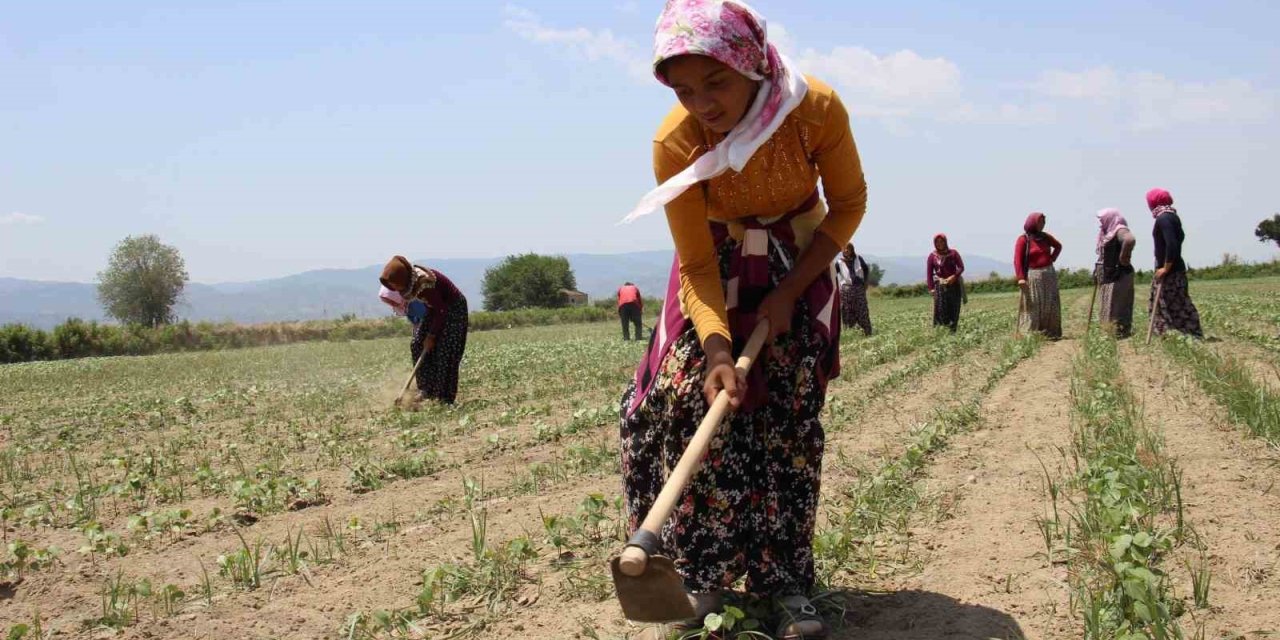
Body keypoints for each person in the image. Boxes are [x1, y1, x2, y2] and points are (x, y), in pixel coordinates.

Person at [617, 1, 867, 637]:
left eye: (716, 81)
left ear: (750, 62)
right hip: (716, 262)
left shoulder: (815, 111)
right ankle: (702, 575)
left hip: (800, 252)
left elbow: (848, 207)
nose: (702, 103)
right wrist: (718, 349)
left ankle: (785, 583)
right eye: (683, 89)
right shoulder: (675, 141)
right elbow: (697, 266)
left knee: (785, 405)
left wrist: (789, 290)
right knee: (678, 400)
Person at [378, 256, 469, 403]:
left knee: (445, 351)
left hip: (453, 309)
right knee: (417, 343)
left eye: (395, 285)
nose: (394, 289)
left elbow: (442, 309)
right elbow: (432, 308)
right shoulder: (411, 282)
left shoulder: (424, 284)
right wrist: (427, 336)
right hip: (435, 310)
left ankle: (443, 397)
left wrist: (432, 335)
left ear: (402, 278)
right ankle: (426, 390)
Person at [1146, 188, 1203, 338]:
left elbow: (1172, 244)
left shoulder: (1164, 218)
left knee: (1169, 303)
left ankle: (1171, 334)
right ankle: (1184, 333)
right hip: (1176, 268)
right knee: (1178, 301)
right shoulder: (1172, 216)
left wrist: (1166, 267)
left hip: (1170, 271)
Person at [1014, 212, 1063, 339]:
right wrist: (1020, 278)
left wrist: (1052, 259)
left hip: (1049, 275)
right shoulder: (1023, 240)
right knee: (1033, 304)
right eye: (1039, 222)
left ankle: (1051, 333)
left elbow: (1058, 246)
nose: (1042, 225)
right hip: (1033, 276)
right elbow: (1017, 260)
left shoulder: (1045, 237)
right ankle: (1031, 333)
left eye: (1043, 222)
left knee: (1050, 304)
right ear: (1032, 223)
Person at [1095, 208, 1137, 338]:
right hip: (1110, 275)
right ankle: (1112, 332)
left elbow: (1129, 240)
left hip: (1119, 275)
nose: (1101, 223)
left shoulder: (1120, 230)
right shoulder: (1107, 232)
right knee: (1109, 304)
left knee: (1117, 305)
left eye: (1102, 220)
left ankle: (1118, 332)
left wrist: (1123, 258)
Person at [927, 234, 964, 332]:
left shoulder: (953, 253)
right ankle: (941, 331)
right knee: (940, 310)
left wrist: (954, 276)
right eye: (937, 242)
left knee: (954, 308)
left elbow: (961, 267)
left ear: (945, 242)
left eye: (942, 241)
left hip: (954, 285)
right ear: (935, 243)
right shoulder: (932, 256)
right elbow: (929, 274)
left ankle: (952, 331)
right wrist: (931, 288)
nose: (940, 244)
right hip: (940, 287)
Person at [835, 243, 873, 335]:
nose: (846, 251)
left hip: (859, 288)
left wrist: (866, 283)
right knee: (848, 311)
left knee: (862, 309)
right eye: (844, 249)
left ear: (852, 250)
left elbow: (866, 269)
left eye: (848, 249)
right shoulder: (839, 263)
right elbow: (834, 276)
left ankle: (866, 331)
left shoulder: (858, 259)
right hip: (846, 290)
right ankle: (851, 333)